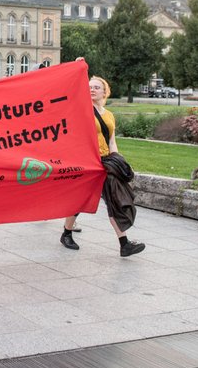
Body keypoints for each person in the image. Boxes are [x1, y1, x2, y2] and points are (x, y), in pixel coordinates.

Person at [60, 75, 144, 257]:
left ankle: (124, 244)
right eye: (89, 87)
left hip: (106, 162)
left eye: (96, 87)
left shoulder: (109, 115)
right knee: (81, 199)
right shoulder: (83, 110)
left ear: (105, 91)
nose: (92, 90)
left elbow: (112, 140)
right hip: (88, 162)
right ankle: (66, 233)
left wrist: (118, 159)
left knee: (113, 200)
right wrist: (77, 70)